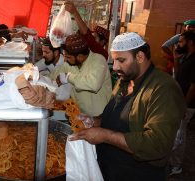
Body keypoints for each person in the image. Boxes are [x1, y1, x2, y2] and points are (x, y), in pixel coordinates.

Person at [70, 32, 186, 181]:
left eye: (121, 60)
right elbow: (117, 118)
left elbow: (157, 145)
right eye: (114, 60)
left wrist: (104, 135)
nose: (116, 66)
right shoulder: (125, 79)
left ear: (140, 57)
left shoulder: (164, 88)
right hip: (110, 168)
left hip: (138, 173)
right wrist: (94, 121)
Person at [49, 33, 112, 117]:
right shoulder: (69, 64)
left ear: (80, 57)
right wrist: (34, 76)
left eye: (68, 57)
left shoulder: (98, 61)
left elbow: (93, 84)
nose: (65, 59)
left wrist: (68, 77)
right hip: (80, 115)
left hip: (100, 117)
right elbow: (51, 76)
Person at [169, 30, 195, 175]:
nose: (178, 45)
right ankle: (173, 162)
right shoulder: (186, 57)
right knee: (176, 132)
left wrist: (184, 106)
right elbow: (178, 77)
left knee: (180, 135)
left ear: (190, 42)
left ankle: (176, 165)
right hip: (180, 102)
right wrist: (176, 59)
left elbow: (193, 87)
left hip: (187, 105)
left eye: (181, 41)